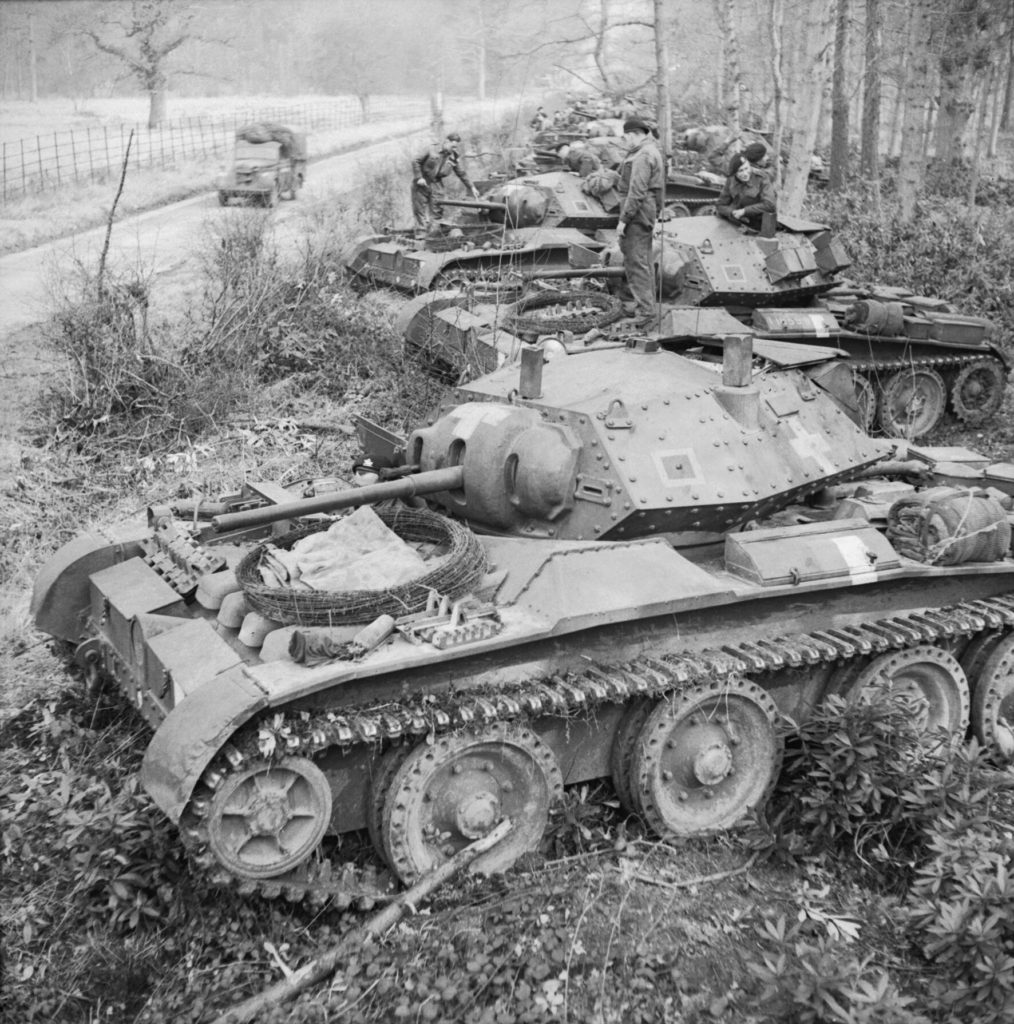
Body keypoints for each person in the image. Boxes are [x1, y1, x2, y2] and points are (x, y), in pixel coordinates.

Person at [616, 117, 664, 326]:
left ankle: (645, 313)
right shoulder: (649, 151)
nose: (625, 141)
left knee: (636, 262)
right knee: (643, 261)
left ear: (634, 134)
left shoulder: (643, 155)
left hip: (637, 213)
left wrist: (624, 220)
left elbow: (637, 191)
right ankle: (646, 307)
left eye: (626, 137)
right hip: (645, 211)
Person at [411, 132, 478, 234]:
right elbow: (415, 161)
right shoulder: (431, 149)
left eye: (456, 147)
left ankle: (434, 235)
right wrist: (419, 178)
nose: (454, 149)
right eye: (453, 146)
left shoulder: (453, 156)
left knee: (437, 210)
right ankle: (421, 237)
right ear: (446, 142)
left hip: (437, 184)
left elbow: (461, 173)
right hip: (422, 182)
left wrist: (471, 187)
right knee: (420, 211)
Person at [717, 152, 777, 230]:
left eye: (746, 168)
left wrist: (744, 211)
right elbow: (720, 205)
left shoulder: (761, 178)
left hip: (760, 224)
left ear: (750, 166)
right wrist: (731, 212)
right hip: (737, 223)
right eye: (740, 171)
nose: (745, 173)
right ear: (735, 173)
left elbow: (770, 204)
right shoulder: (731, 180)